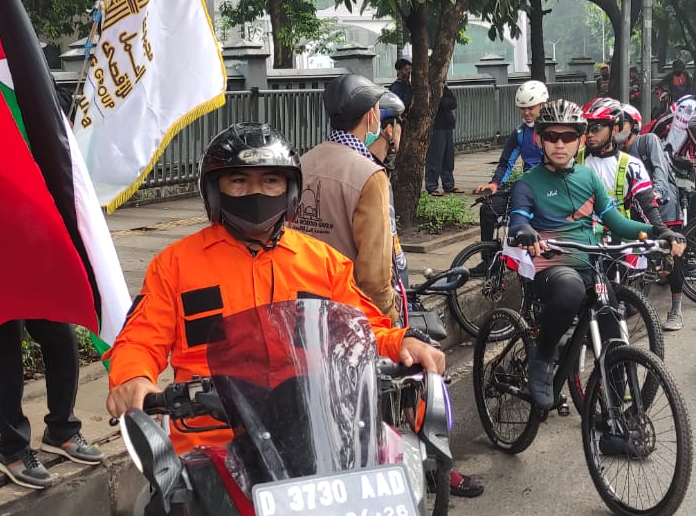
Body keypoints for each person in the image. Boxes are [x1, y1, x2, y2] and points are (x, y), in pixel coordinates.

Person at [105, 123, 446, 451]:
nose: (255, 192)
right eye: (238, 180)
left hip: (314, 437)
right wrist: (133, 378)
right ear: (215, 191)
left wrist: (403, 341)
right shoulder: (175, 264)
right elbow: (139, 339)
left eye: (270, 180)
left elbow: (364, 328)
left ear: (291, 191)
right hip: (210, 443)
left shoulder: (324, 262)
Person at [298, 80, 485, 498]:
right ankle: (433, 466)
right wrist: (391, 326)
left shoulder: (304, 162)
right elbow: (375, 271)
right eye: (395, 123)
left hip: (304, 316)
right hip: (359, 313)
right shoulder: (369, 175)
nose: (398, 132)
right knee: (415, 380)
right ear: (375, 120)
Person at [508, 100, 683, 408]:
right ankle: (543, 356)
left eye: (568, 136)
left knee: (614, 340)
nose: (560, 144)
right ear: (539, 139)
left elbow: (614, 220)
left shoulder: (587, 178)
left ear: (579, 138)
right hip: (551, 268)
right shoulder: (527, 183)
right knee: (571, 287)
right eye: (551, 136)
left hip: (591, 267)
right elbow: (519, 219)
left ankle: (617, 426)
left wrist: (658, 232)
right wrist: (525, 232)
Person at [296, 75, 407, 322]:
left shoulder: (302, 164)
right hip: (349, 314)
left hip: (300, 306)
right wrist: (389, 319)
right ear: (371, 116)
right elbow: (375, 276)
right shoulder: (370, 175)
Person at [581, 98, 687, 331]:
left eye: (596, 127)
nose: (589, 134)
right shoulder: (575, 160)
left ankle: (675, 308)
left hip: (619, 233)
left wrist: (663, 231)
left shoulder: (632, 164)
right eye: (585, 127)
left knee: (615, 294)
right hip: (581, 238)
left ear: (615, 130)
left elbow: (647, 205)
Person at [0, 316, 102, 489]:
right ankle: (13, 448)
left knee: (61, 335)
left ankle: (61, 430)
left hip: (33, 287)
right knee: (6, 341)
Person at [474, 80, 548, 245]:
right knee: (488, 209)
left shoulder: (554, 130)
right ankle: (488, 261)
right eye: (522, 108)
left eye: (531, 108)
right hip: (528, 187)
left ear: (542, 105)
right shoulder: (520, 133)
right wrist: (494, 183)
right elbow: (506, 163)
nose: (526, 113)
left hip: (550, 188)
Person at [425, 82, 461, 196]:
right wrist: (442, 101)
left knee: (448, 157)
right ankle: (431, 185)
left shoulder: (444, 88)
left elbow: (453, 103)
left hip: (447, 126)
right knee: (435, 157)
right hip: (436, 126)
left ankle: (448, 184)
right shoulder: (429, 87)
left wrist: (442, 101)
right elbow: (434, 104)